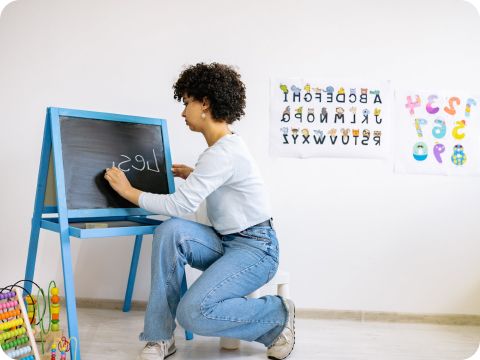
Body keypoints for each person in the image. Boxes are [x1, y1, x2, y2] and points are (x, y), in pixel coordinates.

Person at [104, 62, 295, 360]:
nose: (183, 112)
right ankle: (159, 337)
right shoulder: (220, 152)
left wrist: (130, 192)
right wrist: (197, 174)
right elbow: (226, 187)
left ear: (204, 102)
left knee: (193, 313)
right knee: (169, 231)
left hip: (257, 248)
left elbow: (181, 205)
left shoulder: (223, 153)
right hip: (228, 241)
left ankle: (277, 313)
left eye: (186, 102)